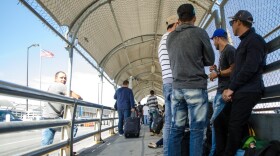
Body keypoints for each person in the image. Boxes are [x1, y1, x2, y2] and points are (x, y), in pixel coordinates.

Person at [215, 10, 267, 156]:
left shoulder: (255, 41)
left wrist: (231, 88)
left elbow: (250, 68)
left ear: (238, 22)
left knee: (234, 126)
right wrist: (230, 90)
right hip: (240, 91)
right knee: (219, 122)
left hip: (249, 91)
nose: (231, 25)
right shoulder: (245, 42)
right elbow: (238, 71)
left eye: (232, 23)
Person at [166, 3, 215, 156]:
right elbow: (210, 59)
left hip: (177, 89)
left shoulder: (170, 37)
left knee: (176, 129)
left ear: (179, 19)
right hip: (195, 86)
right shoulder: (199, 33)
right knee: (196, 131)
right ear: (194, 18)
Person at [208, 28, 236, 156]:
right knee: (216, 127)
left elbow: (234, 69)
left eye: (213, 40)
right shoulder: (223, 52)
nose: (213, 43)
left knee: (216, 126)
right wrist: (216, 69)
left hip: (224, 94)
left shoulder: (229, 50)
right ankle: (215, 151)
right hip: (220, 93)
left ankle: (214, 153)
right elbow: (225, 70)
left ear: (217, 38)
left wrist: (218, 73)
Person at [41, 71, 82, 146]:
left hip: (45, 118)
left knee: (45, 145)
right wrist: (79, 98)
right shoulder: (60, 86)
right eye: (61, 77)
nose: (64, 79)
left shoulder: (50, 87)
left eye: (65, 78)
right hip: (54, 119)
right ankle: (65, 150)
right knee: (73, 127)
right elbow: (78, 97)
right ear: (55, 78)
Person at [158, 14, 178, 156]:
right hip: (174, 81)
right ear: (176, 24)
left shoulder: (162, 39)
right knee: (176, 123)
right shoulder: (172, 38)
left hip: (166, 82)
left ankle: (167, 153)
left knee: (169, 122)